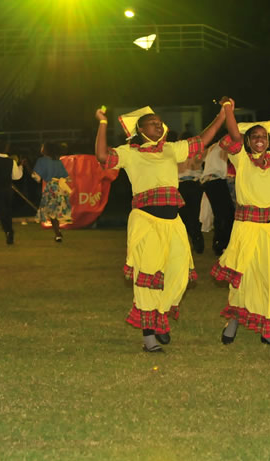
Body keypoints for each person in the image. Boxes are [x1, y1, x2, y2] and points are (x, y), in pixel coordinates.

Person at [95, 103, 226, 352]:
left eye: (160, 122)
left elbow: (201, 140)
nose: (159, 124)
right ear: (140, 129)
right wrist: (102, 122)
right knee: (147, 278)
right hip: (145, 221)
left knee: (178, 275)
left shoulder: (170, 149)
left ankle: (161, 315)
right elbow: (102, 156)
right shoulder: (130, 152)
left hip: (173, 222)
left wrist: (221, 116)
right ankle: (149, 339)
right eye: (152, 122)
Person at [212, 88, 270, 345]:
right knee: (244, 276)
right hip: (246, 228)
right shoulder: (241, 159)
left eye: (263, 136)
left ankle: (268, 330)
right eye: (254, 137)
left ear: (269, 140)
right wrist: (228, 108)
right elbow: (232, 134)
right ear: (248, 141)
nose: (260, 140)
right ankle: (234, 320)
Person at [200, 142, 234, 255]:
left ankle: (220, 243)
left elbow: (202, 158)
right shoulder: (224, 146)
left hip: (210, 181)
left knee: (221, 213)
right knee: (226, 214)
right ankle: (221, 244)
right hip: (216, 181)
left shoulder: (212, 146)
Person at [32, 142, 71, 242]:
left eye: (42, 147)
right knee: (55, 212)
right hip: (59, 188)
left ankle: (58, 234)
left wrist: (28, 166)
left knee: (52, 213)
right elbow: (66, 176)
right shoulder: (57, 161)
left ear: (46, 150)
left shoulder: (42, 161)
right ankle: (58, 232)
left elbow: (36, 178)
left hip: (51, 188)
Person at [177, 149, 205, 253]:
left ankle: (195, 238)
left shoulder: (177, 155)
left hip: (184, 185)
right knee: (193, 214)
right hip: (194, 185)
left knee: (186, 215)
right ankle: (197, 238)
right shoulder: (197, 155)